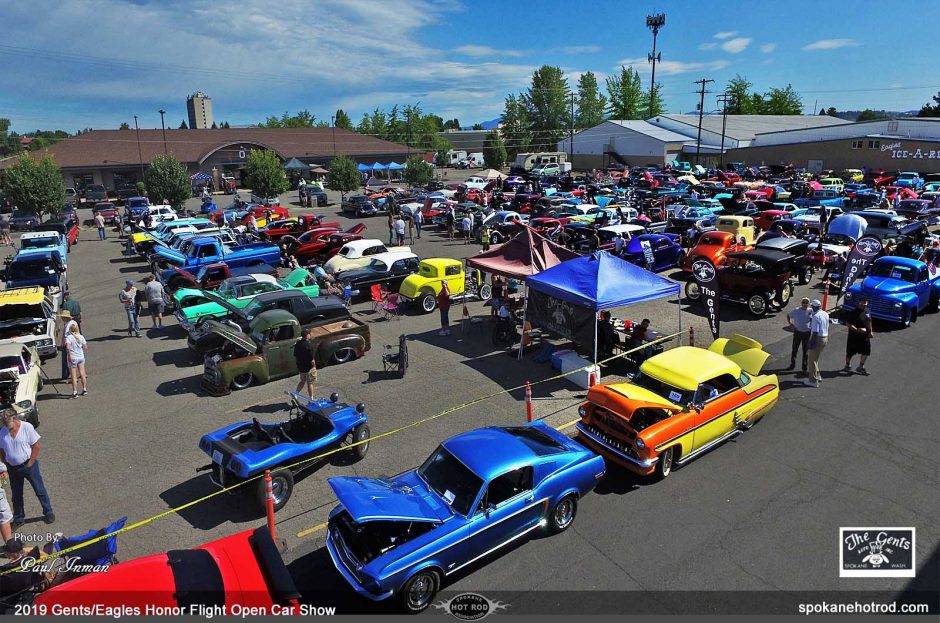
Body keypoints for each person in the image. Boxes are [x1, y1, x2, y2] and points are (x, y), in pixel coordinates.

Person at [0, 409, 54, 528]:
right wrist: (6, 463)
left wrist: (31, 462)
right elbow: (2, 450)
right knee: (16, 495)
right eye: (3, 421)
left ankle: (48, 512)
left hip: (28, 465)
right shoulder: (2, 432)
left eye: (6, 421)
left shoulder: (27, 427)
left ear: (14, 418)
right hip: (13, 469)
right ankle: (19, 518)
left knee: (39, 490)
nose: (4, 423)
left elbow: (36, 446)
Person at [844, 296, 873, 375]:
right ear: (859, 303)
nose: (864, 305)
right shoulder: (853, 313)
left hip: (865, 336)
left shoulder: (867, 311)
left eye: (866, 304)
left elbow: (869, 321)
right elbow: (848, 324)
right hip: (854, 337)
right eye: (863, 303)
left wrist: (870, 331)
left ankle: (861, 367)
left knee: (866, 351)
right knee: (850, 352)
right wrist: (857, 330)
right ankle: (847, 365)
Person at [805, 299, 830, 388]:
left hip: (818, 339)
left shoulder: (815, 316)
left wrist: (810, 342)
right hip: (825, 337)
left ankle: (813, 381)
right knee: (815, 359)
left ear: (814, 307)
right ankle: (818, 376)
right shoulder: (825, 313)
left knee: (812, 361)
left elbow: (815, 331)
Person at [786, 297, 812, 373]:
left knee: (805, 351)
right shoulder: (796, 310)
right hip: (797, 332)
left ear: (808, 304)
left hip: (807, 333)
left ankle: (804, 367)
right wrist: (790, 323)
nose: (805, 304)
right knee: (794, 349)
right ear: (801, 303)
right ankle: (792, 364)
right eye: (803, 302)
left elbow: (815, 318)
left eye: (806, 303)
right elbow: (788, 315)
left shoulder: (811, 311)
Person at [64, 323, 88, 398]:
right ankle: (84, 389)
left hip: (73, 358)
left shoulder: (69, 338)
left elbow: (67, 347)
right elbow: (86, 347)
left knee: (74, 376)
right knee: (82, 374)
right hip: (81, 357)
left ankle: (75, 392)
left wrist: (69, 355)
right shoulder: (81, 337)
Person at [292, 328, 316, 399]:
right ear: (307, 336)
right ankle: (311, 399)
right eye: (309, 334)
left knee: (302, 381)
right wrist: (314, 368)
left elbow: (295, 355)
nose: (310, 335)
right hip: (308, 368)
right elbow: (312, 360)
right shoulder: (309, 346)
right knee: (310, 383)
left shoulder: (298, 344)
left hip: (300, 367)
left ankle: (296, 393)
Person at [58, 310, 78, 381]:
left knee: (67, 361)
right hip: (75, 343)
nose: (61, 318)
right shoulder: (74, 323)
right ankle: (74, 375)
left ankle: (68, 376)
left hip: (68, 345)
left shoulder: (67, 325)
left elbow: (65, 336)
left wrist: (63, 345)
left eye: (62, 317)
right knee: (75, 360)